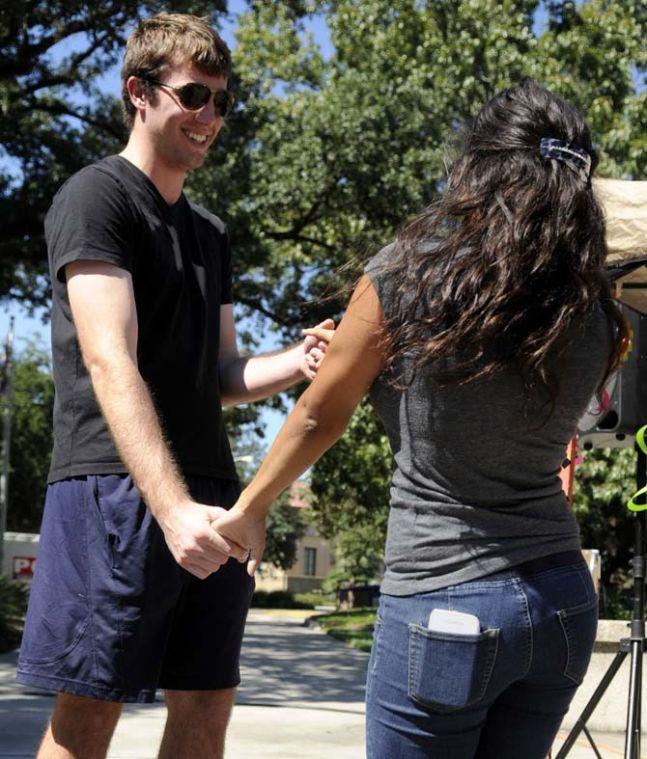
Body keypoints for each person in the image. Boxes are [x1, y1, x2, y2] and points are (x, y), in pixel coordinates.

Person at [211, 79, 629, 758]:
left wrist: (250, 508)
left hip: (445, 598)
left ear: (481, 168)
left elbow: (321, 413)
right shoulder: (588, 308)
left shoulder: (413, 275)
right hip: (559, 599)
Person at [16, 13, 333, 759]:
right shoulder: (97, 198)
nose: (209, 118)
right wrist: (169, 508)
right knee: (88, 715)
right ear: (140, 93)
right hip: (115, 490)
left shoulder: (210, 233)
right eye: (194, 96)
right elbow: (108, 359)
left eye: (221, 101)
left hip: (210, 492)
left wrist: (298, 359)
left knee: (206, 705)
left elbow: (221, 375)